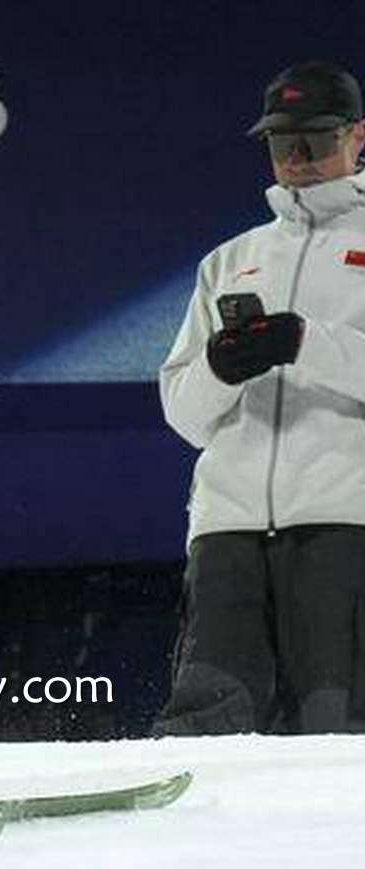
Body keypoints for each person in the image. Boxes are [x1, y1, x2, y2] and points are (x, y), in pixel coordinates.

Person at [156, 61, 365, 735]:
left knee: (338, 733)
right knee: (209, 729)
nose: (299, 160)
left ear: (358, 137)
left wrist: (306, 341)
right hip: (227, 533)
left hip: (345, 525)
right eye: (283, 145)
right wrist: (220, 365)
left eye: (317, 141)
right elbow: (185, 417)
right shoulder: (228, 261)